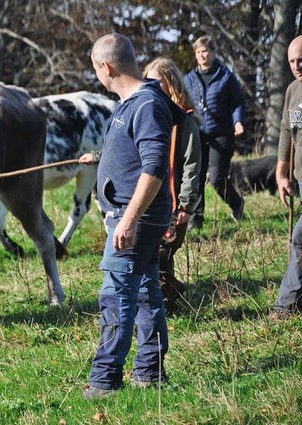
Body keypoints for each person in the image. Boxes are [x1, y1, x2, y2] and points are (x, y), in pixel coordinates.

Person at [78, 33, 185, 398]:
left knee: (116, 295)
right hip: (132, 217)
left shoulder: (146, 105)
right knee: (143, 291)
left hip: (135, 219)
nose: (97, 76)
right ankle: (150, 372)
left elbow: (154, 166)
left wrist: (129, 218)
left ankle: (105, 380)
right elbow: (134, 152)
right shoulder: (131, 103)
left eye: (96, 69)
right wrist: (100, 158)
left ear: (106, 67)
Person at [143, 58, 202, 307]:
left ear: (171, 83)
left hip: (174, 202)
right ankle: (169, 294)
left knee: (163, 255)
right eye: (149, 81)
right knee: (153, 257)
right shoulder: (148, 115)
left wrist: (186, 205)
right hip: (149, 200)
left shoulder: (185, 121)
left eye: (159, 81)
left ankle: (168, 302)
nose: (153, 86)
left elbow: (192, 165)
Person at [184, 35, 246, 230]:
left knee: (217, 177)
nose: (202, 55)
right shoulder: (189, 79)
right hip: (198, 134)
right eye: (199, 52)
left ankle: (237, 203)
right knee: (197, 176)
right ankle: (196, 219)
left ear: (213, 52)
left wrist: (238, 122)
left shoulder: (226, 76)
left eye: (206, 51)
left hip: (222, 133)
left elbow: (237, 102)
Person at [273, 35, 302, 319]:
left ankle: (287, 304)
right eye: (292, 61)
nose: (297, 65)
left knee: (300, 237)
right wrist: (282, 172)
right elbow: (286, 131)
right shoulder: (293, 90)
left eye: (301, 59)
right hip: (300, 176)